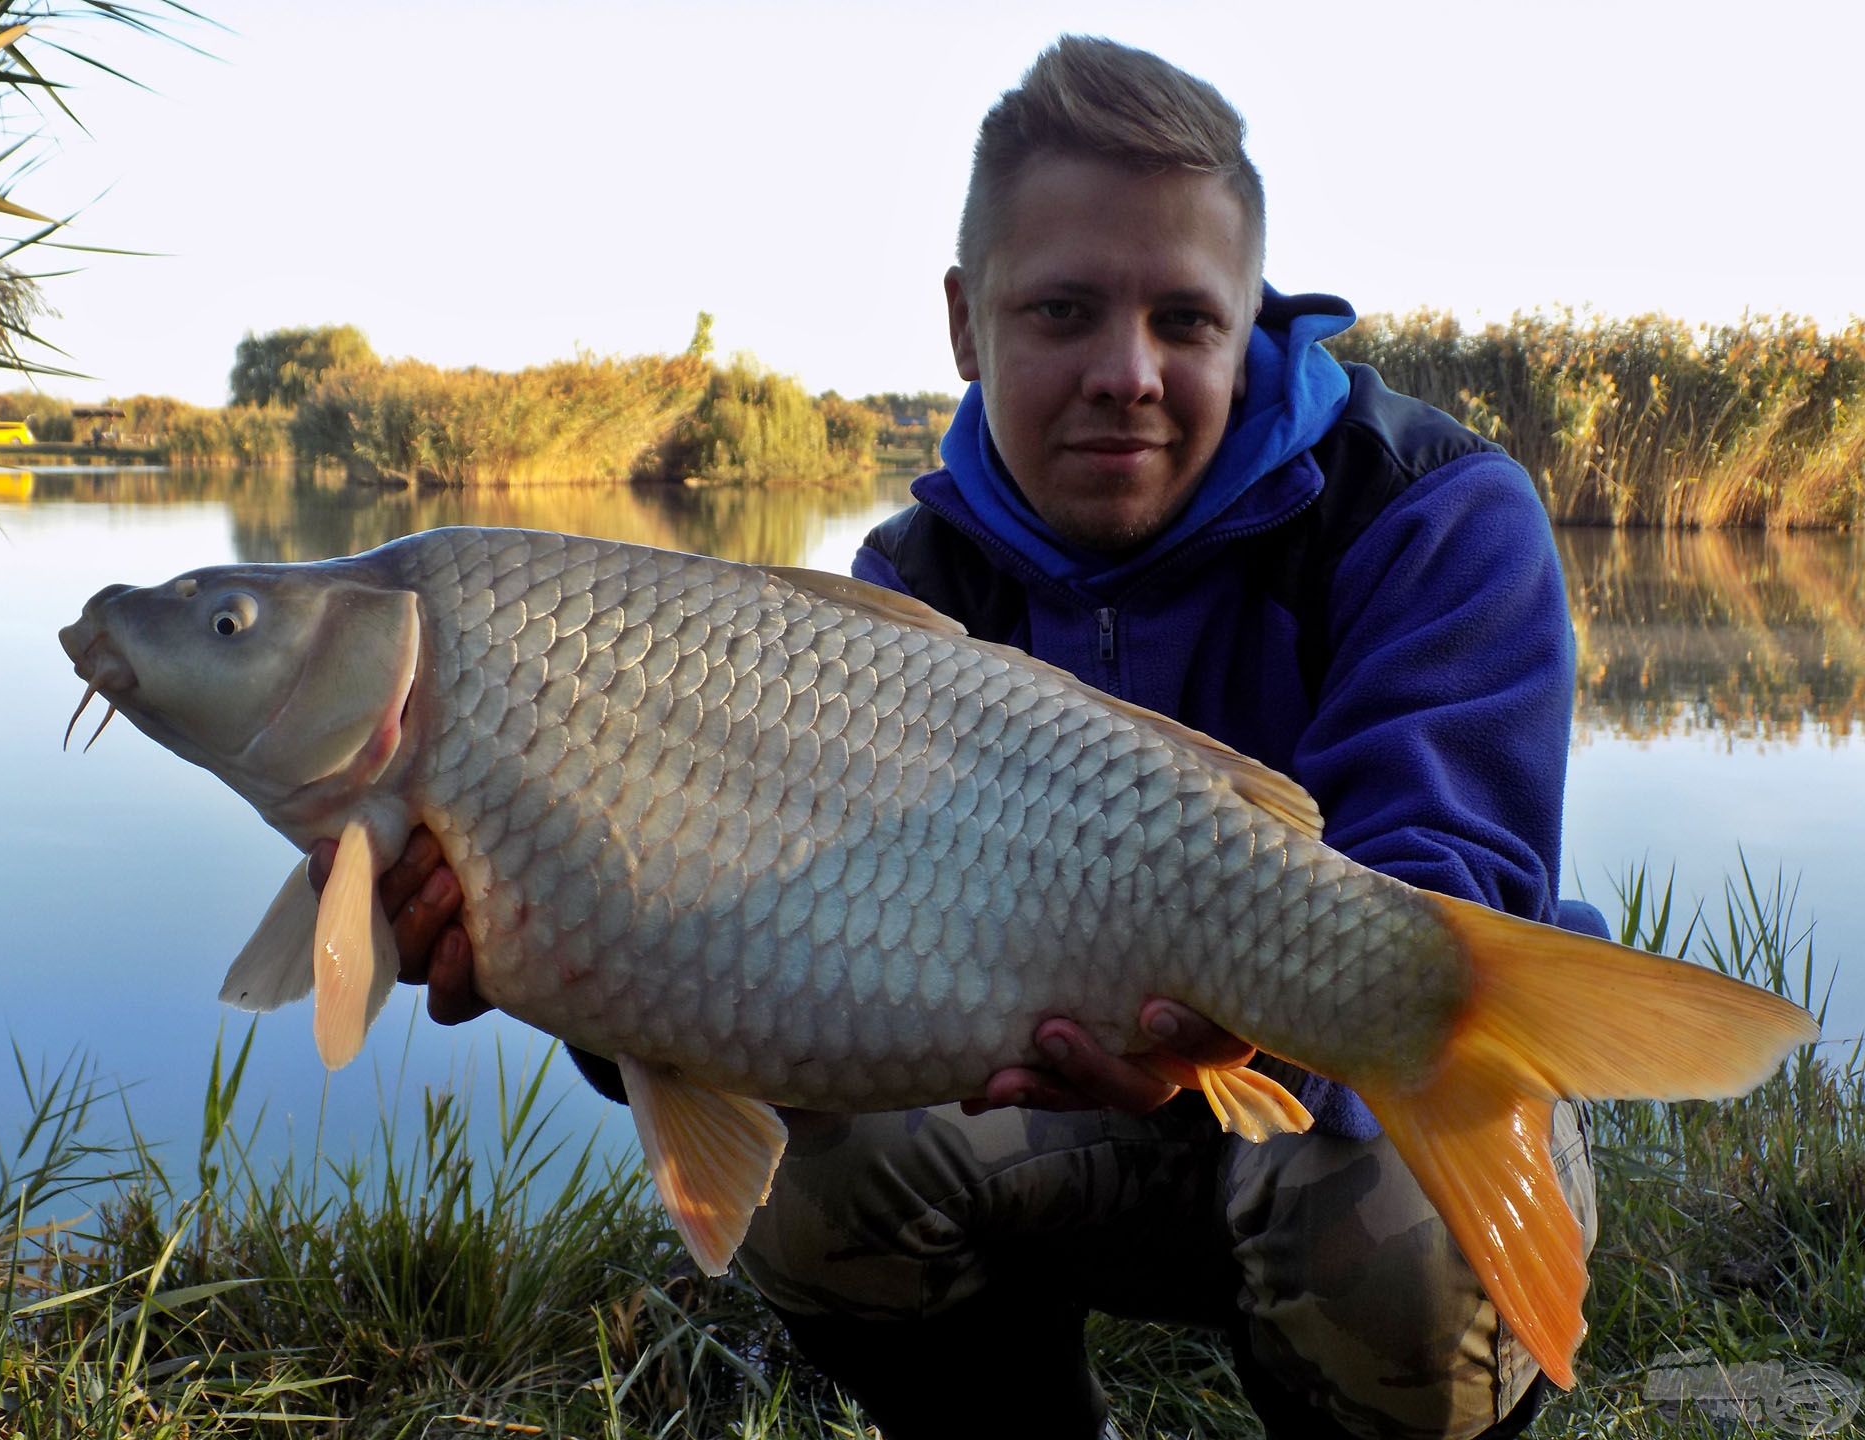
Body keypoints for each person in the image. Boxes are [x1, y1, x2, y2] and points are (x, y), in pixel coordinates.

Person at [333, 35, 1603, 1440]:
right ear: (964, 318)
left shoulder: (1426, 508)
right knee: (818, 1184)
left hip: (1320, 1111)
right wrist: (547, 945)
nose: (1127, 371)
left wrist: (1251, 1020)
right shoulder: (895, 602)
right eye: (1064, 311)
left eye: (1185, 320)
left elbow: (1450, 881)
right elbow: (745, 967)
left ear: (1252, 314)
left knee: (1405, 1220)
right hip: (1046, 1116)